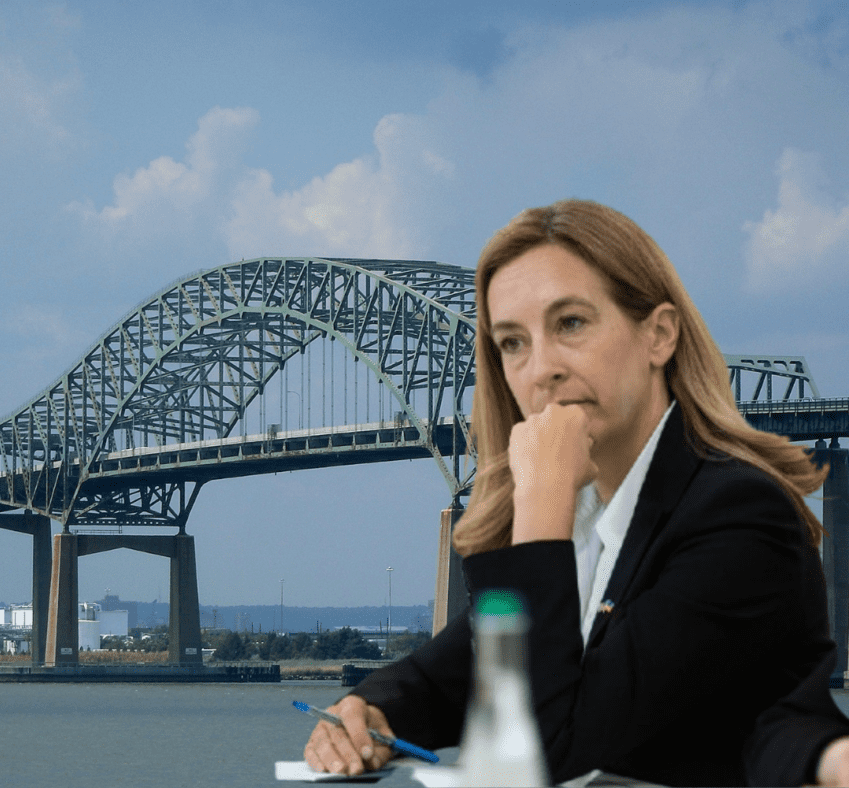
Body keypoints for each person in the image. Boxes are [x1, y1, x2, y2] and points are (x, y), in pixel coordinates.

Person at [303, 199, 849, 786]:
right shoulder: (588, 516)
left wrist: (540, 504)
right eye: (512, 343)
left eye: (570, 324)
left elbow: (542, 756)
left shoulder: (736, 516)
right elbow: (456, 673)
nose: (541, 370)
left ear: (659, 336)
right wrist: (368, 712)